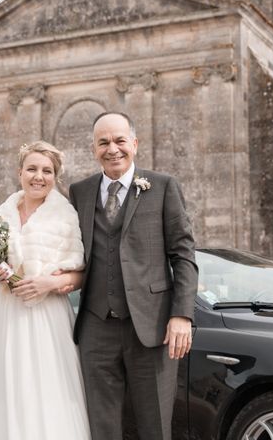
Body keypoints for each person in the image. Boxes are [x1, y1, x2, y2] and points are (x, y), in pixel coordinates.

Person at [69, 112, 198, 440]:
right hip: (95, 329)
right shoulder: (79, 192)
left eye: (119, 140)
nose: (112, 149)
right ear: (93, 148)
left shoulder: (163, 187)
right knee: (102, 428)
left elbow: (183, 255)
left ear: (134, 144)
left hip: (152, 329)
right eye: (103, 142)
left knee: (155, 426)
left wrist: (181, 315)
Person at [0, 141, 91, 439]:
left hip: (47, 317)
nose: (38, 177)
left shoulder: (66, 216)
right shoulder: (1, 214)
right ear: (20, 172)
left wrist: (50, 283)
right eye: (32, 169)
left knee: (46, 391)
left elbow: (81, 273)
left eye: (47, 171)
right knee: (2, 391)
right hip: (5, 315)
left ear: (55, 177)